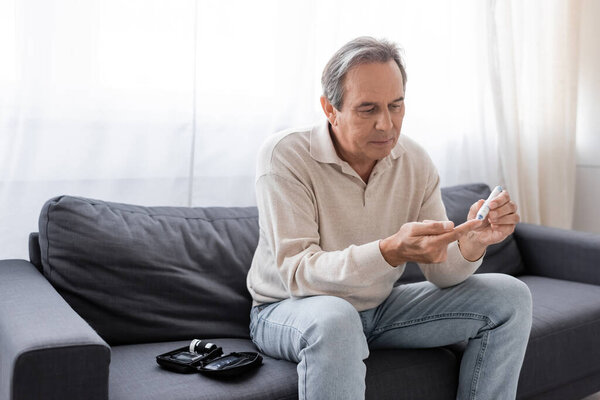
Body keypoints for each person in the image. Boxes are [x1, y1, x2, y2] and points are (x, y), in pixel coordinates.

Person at [246, 36, 532, 400]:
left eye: (396, 106)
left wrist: (472, 242)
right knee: (336, 319)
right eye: (368, 109)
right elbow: (298, 274)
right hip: (288, 309)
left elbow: (441, 274)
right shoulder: (285, 157)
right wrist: (388, 252)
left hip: (378, 307)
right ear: (329, 109)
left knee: (511, 296)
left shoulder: (414, 160)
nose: (387, 124)